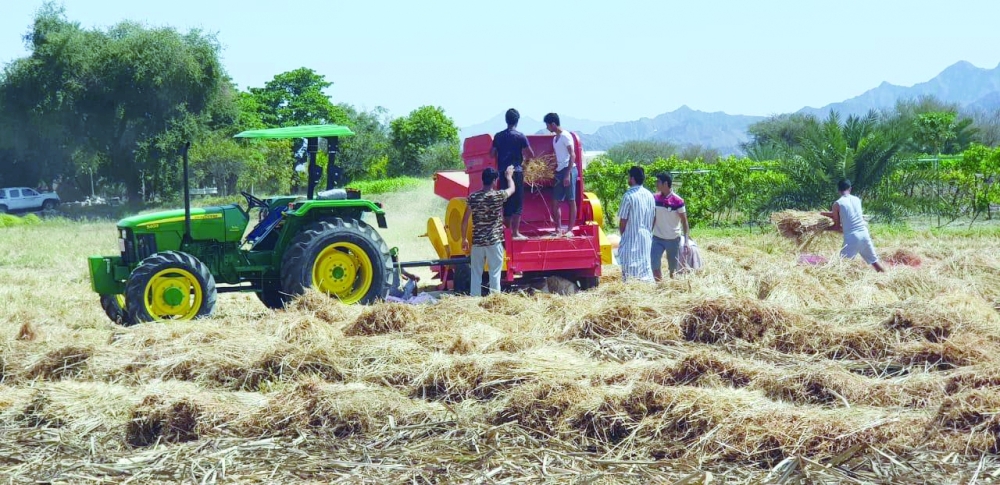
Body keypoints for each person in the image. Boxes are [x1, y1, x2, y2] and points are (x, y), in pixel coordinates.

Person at [462, 166, 517, 296]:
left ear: (482, 180)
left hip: (478, 243)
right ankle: (494, 300)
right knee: (495, 274)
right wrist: (509, 177)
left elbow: (464, 221)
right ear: (494, 181)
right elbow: (512, 189)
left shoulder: (473, 197)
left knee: (476, 274)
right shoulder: (498, 195)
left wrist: (463, 238)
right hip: (494, 241)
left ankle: (474, 300)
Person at [822, 179, 885, 272]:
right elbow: (847, 213)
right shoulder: (857, 200)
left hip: (852, 237)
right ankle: (885, 278)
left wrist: (823, 228)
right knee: (875, 263)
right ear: (850, 189)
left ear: (838, 190)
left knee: (840, 266)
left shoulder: (837, 204)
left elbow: (836, 226)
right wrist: (824, 214)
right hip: (864, 234)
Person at [491, 109, 535, 240]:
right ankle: (515, 233)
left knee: (506, 202)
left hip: (503, 173)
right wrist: (524, 165)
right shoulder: (520, 136)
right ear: (517, 121)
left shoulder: (498, 136)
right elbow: (530, 154)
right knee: (517, 203)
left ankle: (507, 233)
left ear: (506, 120)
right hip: (516, 172)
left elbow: (492, 154)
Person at [617, 166, 656, 282]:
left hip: (631, 237)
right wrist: (649, 231)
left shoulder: (628, 196)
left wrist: (624, 235)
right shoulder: (650, 195)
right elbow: (654, 218)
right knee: (645, 265)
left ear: (632, 178)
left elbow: (623, 221)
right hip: (646, 237)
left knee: (630, 267)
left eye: (629, 177)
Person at [651, 173, 692, 280]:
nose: (656, 184)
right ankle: (659, 285)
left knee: (673, 269)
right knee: (654, 264)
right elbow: (653, 217)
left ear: (665, 183)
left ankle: (671, 287)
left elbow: (684, 221)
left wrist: (686, 240)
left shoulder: (678, 201)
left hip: (673, 239)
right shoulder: (654, 198)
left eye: (658, 181)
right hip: (657, 238)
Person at [544, 113, 577, 237]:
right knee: (555, 201)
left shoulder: (565, 136)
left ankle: (570, 230)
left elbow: (572, 155)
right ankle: (558, 229)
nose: (547, 127)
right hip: (559, 171)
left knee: (571, 200)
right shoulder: (555, 139)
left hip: (569, 170)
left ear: (553, 124)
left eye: (547, 125)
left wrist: (567, 174)